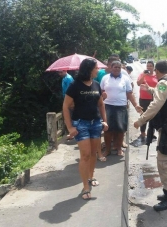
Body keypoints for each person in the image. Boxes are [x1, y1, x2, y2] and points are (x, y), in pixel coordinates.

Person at [134, 60, 167, 212]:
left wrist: (141, 120)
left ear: (157, 71)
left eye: (155, 71)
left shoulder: (163, 83)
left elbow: (156, 104)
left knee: (163, 162)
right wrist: (149, 89)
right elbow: (165, 97)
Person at [62, 58, 109, 200]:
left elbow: (101, 104)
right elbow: (65, 106)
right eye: (96, 68)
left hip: (95, 123)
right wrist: (70, 127)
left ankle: (91, 176)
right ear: (88, 69)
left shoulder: (96, 84)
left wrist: (104, 121)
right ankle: (85, 186)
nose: (98, 70)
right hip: (81, 124)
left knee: (94, 153)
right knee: (85, 155)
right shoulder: (74, 86)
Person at [101, 61, 142, 157]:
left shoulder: (125, 79)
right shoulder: (105, 78)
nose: (117, 69)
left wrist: (136, 105)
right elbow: (101, 91)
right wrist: (102, 97)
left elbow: (129, 93)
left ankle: (119, 149)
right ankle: (107, 150)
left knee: (120, 129)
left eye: (119, 67)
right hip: (108, 106)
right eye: (115, 67)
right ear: (111, 68)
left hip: (121, 107)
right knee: (107, 129)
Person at [136, 61, 158, 142]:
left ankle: (151, 132)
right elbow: (138, 83)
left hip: (154, 98)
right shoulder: (142, 74)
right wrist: (144, 75)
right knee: (143, 115)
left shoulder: (156, 75)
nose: (149, 67)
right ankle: (142, 132)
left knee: (153, 116)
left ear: (153, 67)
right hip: (143, 99)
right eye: (147, 66)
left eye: (150, 66)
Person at [58, 70, 74, 140]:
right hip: (66, 99)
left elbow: (70, 91)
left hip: (69, 100)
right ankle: (70, 132)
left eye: (61, 72)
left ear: (65, 71)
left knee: (70, 117)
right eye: (59, 72)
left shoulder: (68, 78)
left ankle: (71, 133)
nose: (60, 74)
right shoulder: (64, 78)